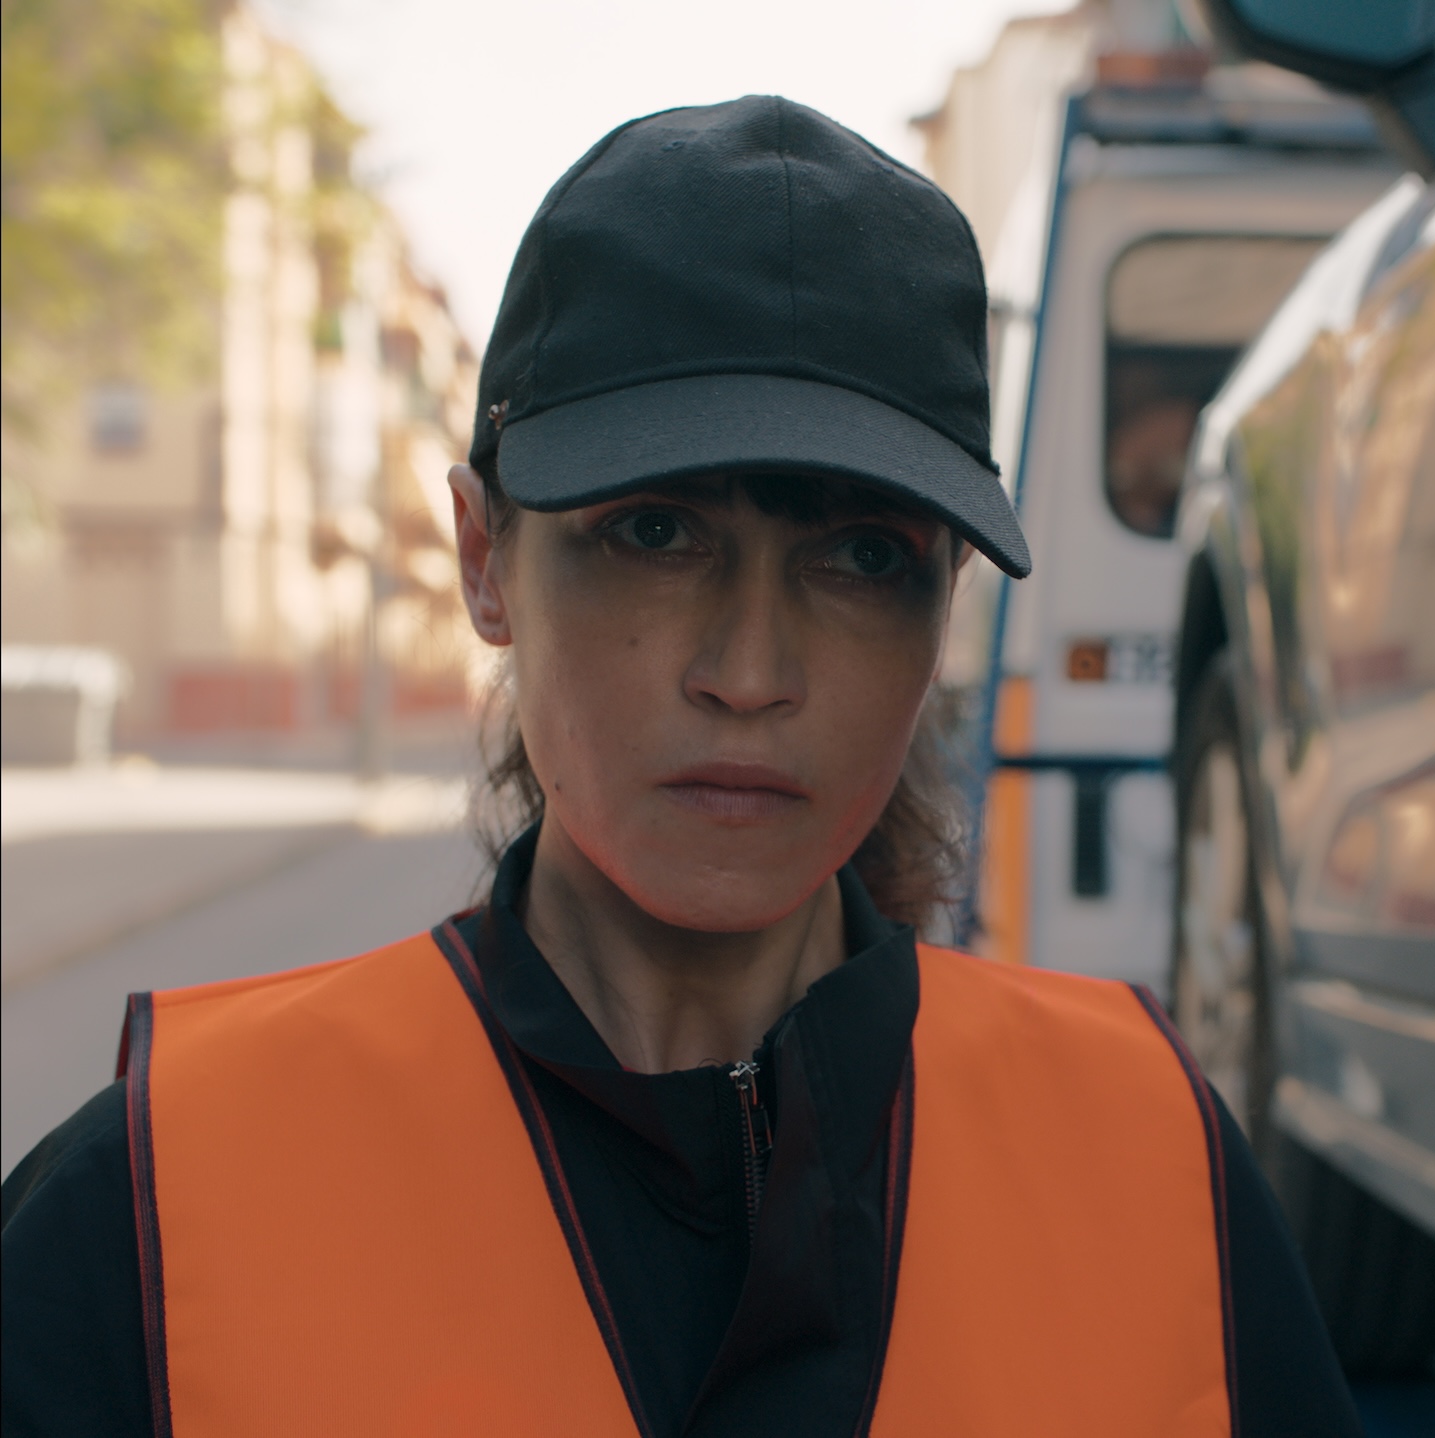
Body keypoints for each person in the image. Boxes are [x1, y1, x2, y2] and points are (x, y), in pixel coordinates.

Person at [1, 96, 1362, 1438]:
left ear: (944, 603)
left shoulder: (1156, 1164)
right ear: (484, 559)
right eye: (655, 531)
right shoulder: (156, 1207)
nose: (749, 669)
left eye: (861, 556)